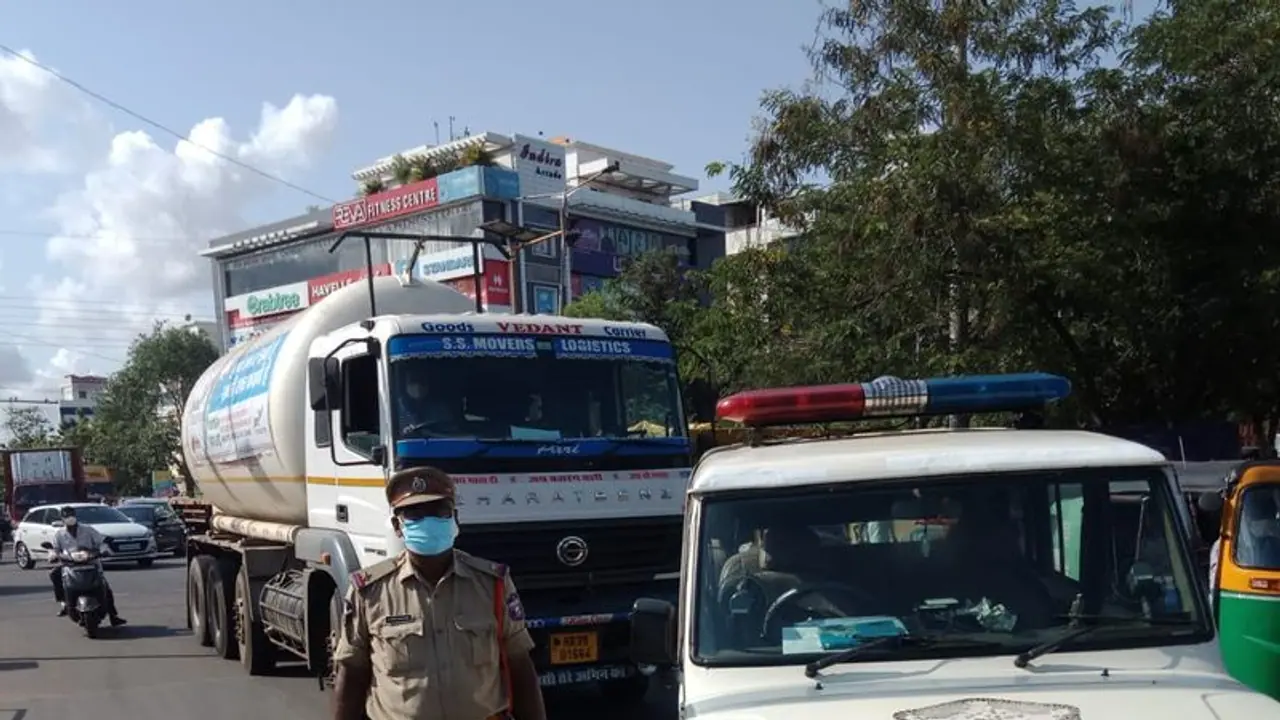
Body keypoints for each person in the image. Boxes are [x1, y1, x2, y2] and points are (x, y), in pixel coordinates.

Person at [331, 467, 546, 720]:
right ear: (397, 527)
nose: (428, 521)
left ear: (455, 519)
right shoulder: (369, 592)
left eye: (438, 511)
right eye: (414, 514)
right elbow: (352, 674)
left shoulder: (492, 584)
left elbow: (520, 666)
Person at [48, 506, 126, 626]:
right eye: (67, 516)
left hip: (91, 563)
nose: (70, 519)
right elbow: (55, 549)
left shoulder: (88, 529)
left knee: (105, 587)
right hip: (70, 565)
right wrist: (53, 555)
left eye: (71, 515)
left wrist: (104, 550)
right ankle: (64, 602)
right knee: (54, 574)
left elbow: (101, 543)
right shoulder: (59, 534)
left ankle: (113, 615)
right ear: (62, 519)